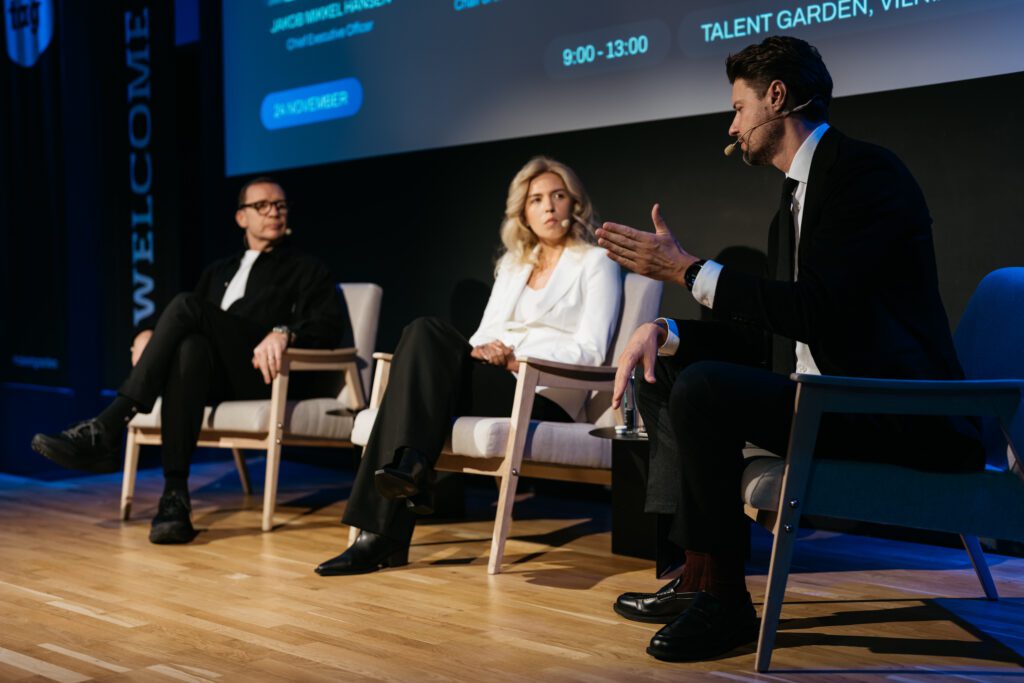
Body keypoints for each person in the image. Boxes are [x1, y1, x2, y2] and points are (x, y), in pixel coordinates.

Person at [594, 36, 983, 662]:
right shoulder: (793, 203)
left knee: (707, 390)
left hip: (886, 406)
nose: (732, 126)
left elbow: (819, 309)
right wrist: (667, 332)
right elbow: (779, 333)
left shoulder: (863, 175)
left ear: (776, 97)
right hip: (827, 400)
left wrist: (688, 270)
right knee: (671, 366)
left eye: (738, 109)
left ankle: (725, 603)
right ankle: (697, 573)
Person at [315, 156, 622, 576]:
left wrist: (515, 356)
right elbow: (483, 334)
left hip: (542, 390)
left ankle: (386, 521)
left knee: (417, 371)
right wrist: (484, 350)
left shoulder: (596, 262)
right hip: (497, 380)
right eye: (536, 199)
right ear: (523, 213)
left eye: (558, 196)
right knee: (423, 330)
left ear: (575, 204)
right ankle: (408, 469)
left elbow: (592, 349)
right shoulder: (513, 264)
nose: (549, 206)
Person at [32, 177, 347, 544]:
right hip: (213, 374)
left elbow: (327, 326)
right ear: (241, 217)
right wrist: (148, 335)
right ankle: (175, 500)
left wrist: (284, 332)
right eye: (262, 205)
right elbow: (188, 325)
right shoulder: (219, 271)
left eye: (280, 205)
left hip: (263, 373)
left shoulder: (306, 267)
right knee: (189, 349)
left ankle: (108, 425)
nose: (273, 212)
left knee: (185, 305)